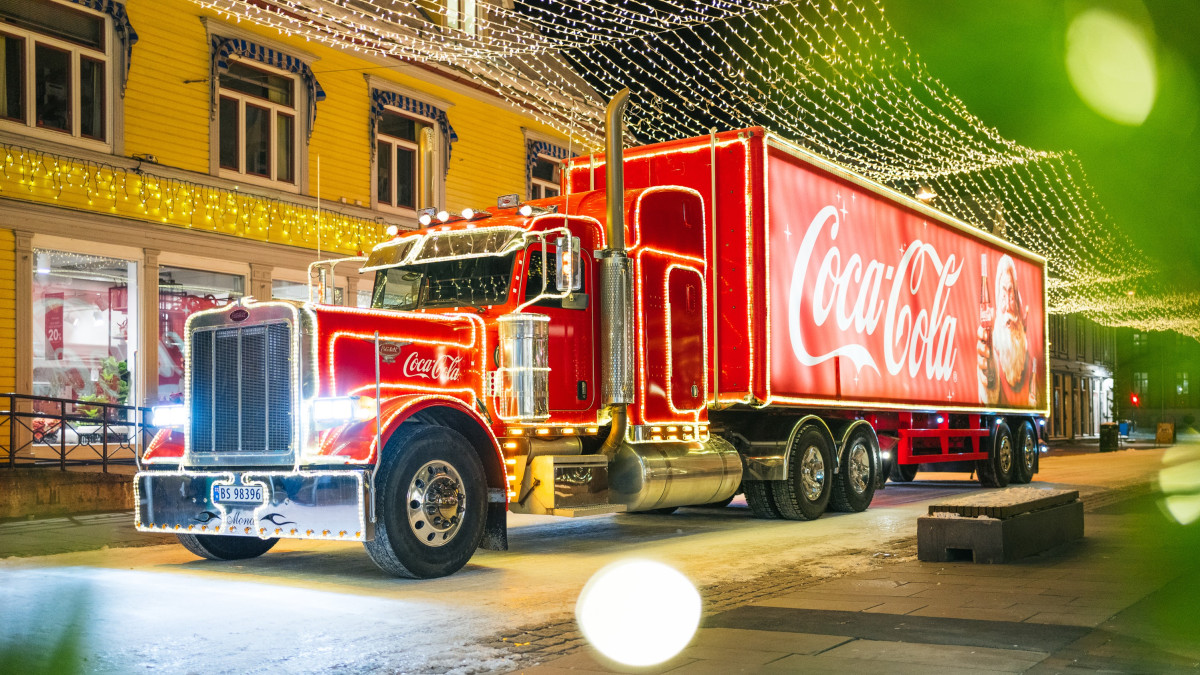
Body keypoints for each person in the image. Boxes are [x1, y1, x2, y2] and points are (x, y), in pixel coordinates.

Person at [977, 254, 1038, 407]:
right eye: (1003, 296)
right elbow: (989, 396)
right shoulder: (990, 355)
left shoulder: (1031, 362)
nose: (1009, 308)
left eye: (1012, 296)